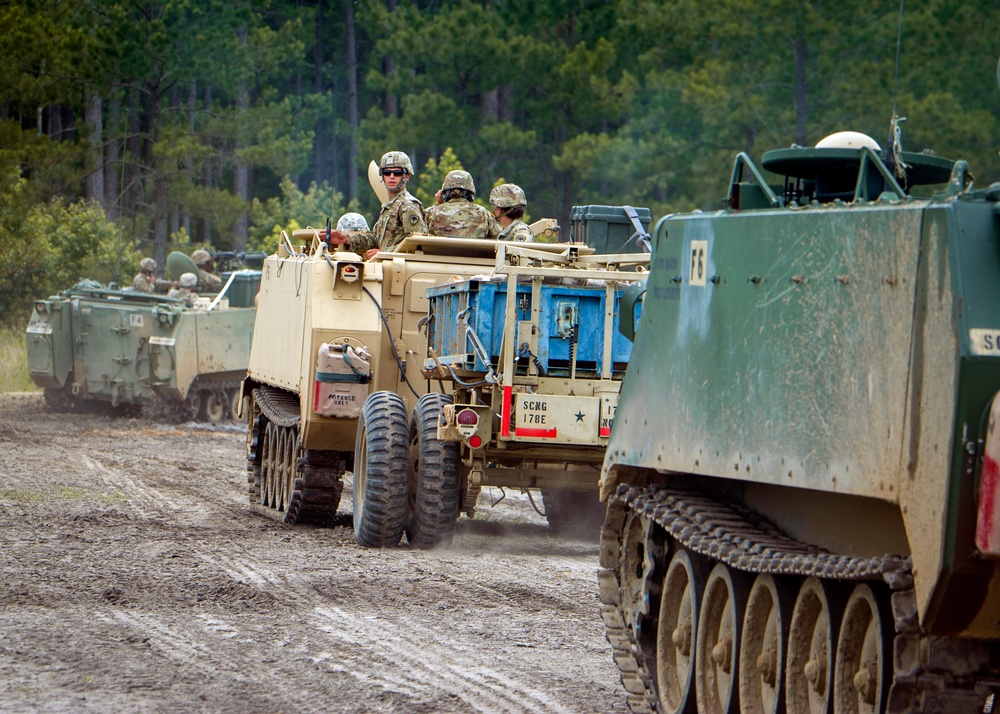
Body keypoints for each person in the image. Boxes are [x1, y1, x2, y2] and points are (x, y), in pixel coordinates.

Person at [369, 151, 426, 259]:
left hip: (400, 268)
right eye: (387, 173)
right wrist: (346, 238)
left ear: (406, 176)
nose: (391, 176)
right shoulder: (390, 205)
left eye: (397, 173)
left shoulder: (408, 206)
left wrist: (385, 252)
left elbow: (417, 243)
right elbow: (375, 239)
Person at [424, 170, 501, 240]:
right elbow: (500, 236)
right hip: (473, 255)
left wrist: (438, 204)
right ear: (470, 193)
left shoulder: (432, 212)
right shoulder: (482, 213)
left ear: (444, 193)